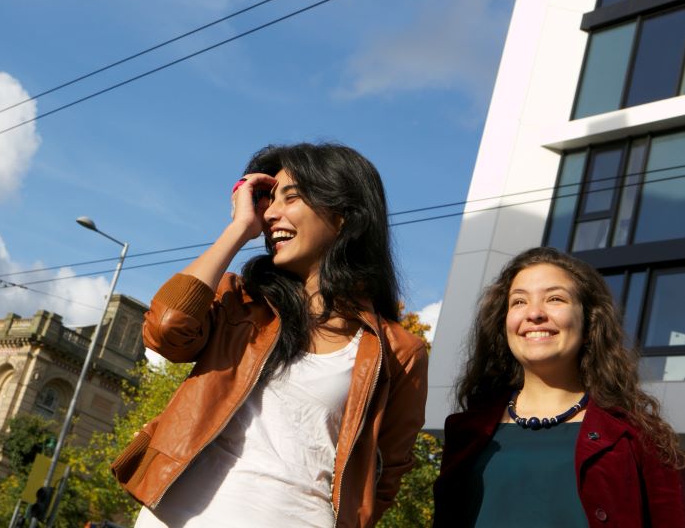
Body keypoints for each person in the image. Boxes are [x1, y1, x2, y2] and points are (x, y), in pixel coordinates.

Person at [111, 143, 428, 528]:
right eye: (269, 200)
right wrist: (237, 231)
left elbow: (386, 475)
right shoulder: (241, 302)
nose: (271, 214)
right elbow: (165, 330)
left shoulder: (397, 351)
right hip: (175, 517)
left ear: (344, 216)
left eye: (291, 197)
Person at [433, 247, 685, 528]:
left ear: (590, 322)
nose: (534, 313)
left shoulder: (640, 438)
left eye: (555, 299)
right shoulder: (466, 432)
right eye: (518, 302)